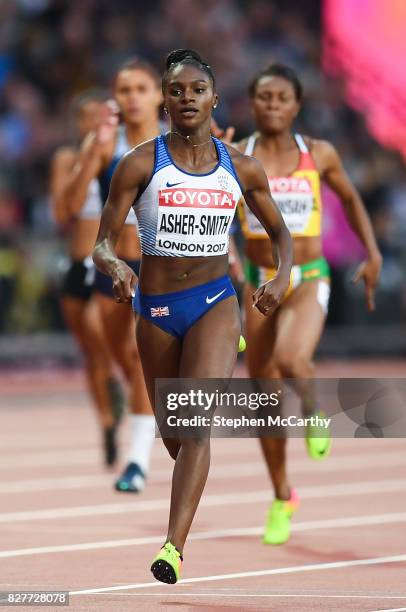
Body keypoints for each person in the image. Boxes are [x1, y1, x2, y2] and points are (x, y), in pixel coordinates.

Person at [93, 48, 293, 584]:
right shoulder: (139, 162)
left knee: (195, 425)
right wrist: (116, 267)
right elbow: (102, 244)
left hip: (214, 302)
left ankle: (172, 548)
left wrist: (280, 277)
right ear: (165, 100)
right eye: (176, 90)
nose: (186, 99)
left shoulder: (240, 167)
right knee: (175, 433)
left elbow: (281, 235)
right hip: (156, 309)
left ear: (213, 99)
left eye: (196, 90)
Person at [233, 64, 382, 545]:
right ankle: (282, 496)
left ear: (297, 105)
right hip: (259, 281)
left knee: (292, 359)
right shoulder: (237, 157)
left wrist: (372, 253)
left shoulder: (318, 154)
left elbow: (352, 198)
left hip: (307, 276)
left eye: (281, 98)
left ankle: (316, 410)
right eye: (264, 97)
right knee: (265, 398)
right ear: (252, 104)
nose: (272, 105)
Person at [65, 59, 162, 492]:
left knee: (139, 358)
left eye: (141, 88)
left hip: (159, 268)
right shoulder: (106, 142)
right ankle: (147, 416)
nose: (133, 97)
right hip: (112, 267)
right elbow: (70, 207)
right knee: (122, 356)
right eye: (124, 89)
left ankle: (137, 461)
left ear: (159, 95)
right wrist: (90, 154)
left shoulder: (178, 141)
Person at [50, 90, 124, 466]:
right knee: (92, 356)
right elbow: (62, 211)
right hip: (77, 266)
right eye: (88, 118)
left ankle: (119, 389)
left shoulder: (122, 158)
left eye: (103, 117)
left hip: (107, 265)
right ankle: (107, 423)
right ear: (78, 123)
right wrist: (85, 160)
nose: (96, 125)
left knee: (102, 338)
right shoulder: (67, 158)